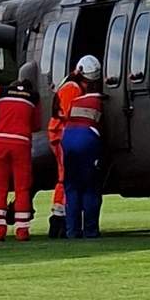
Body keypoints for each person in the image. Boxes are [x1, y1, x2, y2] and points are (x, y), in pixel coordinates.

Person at [0, 62, 41, 241]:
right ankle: (22, 231)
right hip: (22, 144)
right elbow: (36, 125)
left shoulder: (1, 92)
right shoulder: (34, 98)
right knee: (22, 187)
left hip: (0, 143)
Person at [60, 55, 104, 239]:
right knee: (90, 188)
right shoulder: (100, 101)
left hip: (67, 138)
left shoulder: (72, 94)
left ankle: (72, 231)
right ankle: (91, 231)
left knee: (72, 188)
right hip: (87, 139)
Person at [46, 64, 85, 238]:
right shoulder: (73, 88)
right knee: (65, 177)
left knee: (64, 176)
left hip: (59, 134)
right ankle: (59, 219)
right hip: (62, 134)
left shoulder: (68, 85)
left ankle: (59, 217)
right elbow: (70, 114)